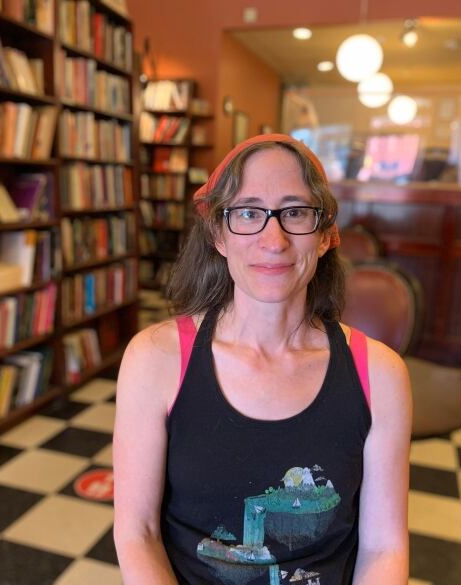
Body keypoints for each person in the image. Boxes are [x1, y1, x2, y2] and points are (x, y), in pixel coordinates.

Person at [114, 134, 411, 584]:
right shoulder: (153, 360)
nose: (273, 240)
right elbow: (139, 532)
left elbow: (383, 548)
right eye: (249, 213)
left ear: (327, 234)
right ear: (218, 234)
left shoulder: (381, 375)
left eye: (295, 212)